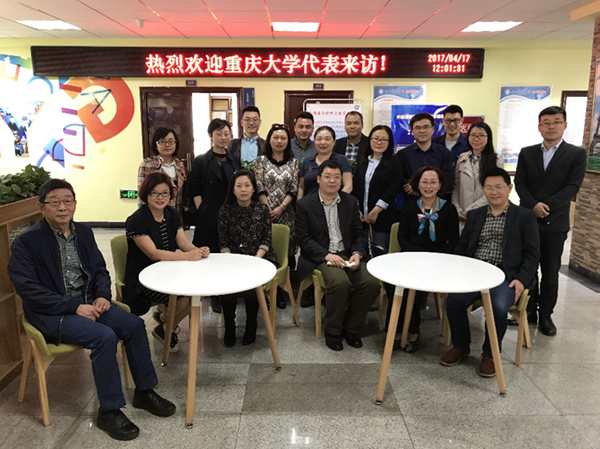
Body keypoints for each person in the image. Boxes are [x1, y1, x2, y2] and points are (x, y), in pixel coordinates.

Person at [7, 179, 176, 441]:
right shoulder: (26, 243)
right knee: (104, 336)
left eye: (68, 201)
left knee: (134, 325)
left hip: (89, 302)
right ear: (41, 207)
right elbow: (29, 291)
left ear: (75, 204)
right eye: (54, 202)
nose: (62, 207)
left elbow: (99, 270)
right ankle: (109, 410)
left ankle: (144, 391)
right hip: (53, 313)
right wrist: (75, 306)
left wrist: (101, 296)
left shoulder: (83, 233)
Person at [440, 168, 540, 377]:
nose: (494, 192)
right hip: (475, 272)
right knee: (454, 302)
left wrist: (521, 280)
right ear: (483, 190)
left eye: (499, 187)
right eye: (489, 188)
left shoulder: (525, 216)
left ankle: (490, 353)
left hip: (505, 275)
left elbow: (532, 253)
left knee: (498, 306)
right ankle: (461, 346)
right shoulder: (475, 215)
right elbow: (463, 247)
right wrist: (456, 271)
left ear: (509, 188)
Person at [514, 106, 587, 336]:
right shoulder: (527, 153)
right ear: (539, 127)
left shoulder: (576, 154)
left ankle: (546, 315)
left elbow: (572, 187)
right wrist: (533, 205)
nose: (551, 126)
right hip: (528, 219)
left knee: (550, 270)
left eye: (556, 122)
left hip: (555, 222)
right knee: (527, 268)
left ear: (565, 125)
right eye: (546, 122)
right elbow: (520, 183)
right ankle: (527, 311)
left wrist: (546, 206)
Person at [296, 159, 381, 351]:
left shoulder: (350, 202)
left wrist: (357, 253)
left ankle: (351, 328)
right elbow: (304, 239)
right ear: (318, 179)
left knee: (372, 283)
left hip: (348, 253)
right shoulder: (305, 204)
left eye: (336, 177)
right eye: (327, 177)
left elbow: (359, 234)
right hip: (322, 256)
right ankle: (333, 331)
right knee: (339, 282)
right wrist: (327, 255)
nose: (332, 181)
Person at [124, 173, 209, 352]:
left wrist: (197, 251)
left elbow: (182, 242)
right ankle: (166, 325)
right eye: (154, 193)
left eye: (164, 193)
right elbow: (153, 254)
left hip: (168, 271)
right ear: (146, 194)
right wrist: (187, 256)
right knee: (182, 299)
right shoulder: (136, 220)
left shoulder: (171, 213)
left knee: (197, 294)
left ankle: (164, 325)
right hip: (144, 276)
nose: (160, 197)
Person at [387, 166, 459, 352]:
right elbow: (402, 237)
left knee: (414, 289)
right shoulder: (410, 206)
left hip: (436, 260)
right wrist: (415, 256)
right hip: (410, 257)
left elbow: (453, 241)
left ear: (440, 185)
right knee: (393, 286)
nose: (428, 186)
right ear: (417, 184)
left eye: (433, 182)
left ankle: (412, 331)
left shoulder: (448, 209)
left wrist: (439, 259)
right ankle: (395, 331)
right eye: (424, 182)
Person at [218, 170, 278, 347]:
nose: (243, 189)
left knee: (252, 287)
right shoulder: (225, 211)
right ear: (233, 190)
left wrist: (256, 259)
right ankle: (230, 327)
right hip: (232, 260)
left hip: (260, 258)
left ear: (253, 189)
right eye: (239, 186)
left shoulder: (262, 209)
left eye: (247, 185)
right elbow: (222, 240)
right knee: (227, 287)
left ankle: (251, 325)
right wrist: (231, 261)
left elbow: (267, 239)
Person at [189, 119, 241, 313]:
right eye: (218, 134)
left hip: (229, 214)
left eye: (226, 133)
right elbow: (194, 189)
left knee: (226, 251)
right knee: (209, 253)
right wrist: (201, 209)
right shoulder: (202, 160)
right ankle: (212, 292)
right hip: (208, 215)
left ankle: (226, 290)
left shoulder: (234, 159)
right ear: (211, 136)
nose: (223, 137)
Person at [254, 124, 299, 306]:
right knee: (266, 249)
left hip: (286, 214)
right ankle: (264, 289)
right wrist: (267, 209)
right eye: (276, 137)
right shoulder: (260, 161)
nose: (279, 141)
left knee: (286, 252)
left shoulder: (294, 162)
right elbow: (259, 186)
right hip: (264, 214)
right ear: (269, 140)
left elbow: (294, 188)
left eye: (283, 138)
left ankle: (281, 290)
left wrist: (281, 208)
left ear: (288, 141)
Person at [352, 125, 402, 257]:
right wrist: (357, 209)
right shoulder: (363, 160)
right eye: (375, 138)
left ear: (389, 142)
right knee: (363, 253)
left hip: (383, 217)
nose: (379, 142)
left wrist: (376, 211)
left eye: (384, 139)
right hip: (362, 218)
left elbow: (392, 189)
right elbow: (356, 187)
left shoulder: (394, 162)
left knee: (380, 253)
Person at [452, 121, 504, 232]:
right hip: (463, 215)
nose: (476, 139)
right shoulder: (461, 159)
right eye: (473, 135)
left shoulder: (496, 160)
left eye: (481, 135)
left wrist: (470, 210)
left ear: (488, 138)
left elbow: (495, 190)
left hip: (486, 212)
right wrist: (457, 209)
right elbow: (456, 187)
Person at [397, 112, 453, 198]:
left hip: (437, 201)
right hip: (412, 201)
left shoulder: (444, 153)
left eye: (426, 127)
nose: (422, 131)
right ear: (412, 131)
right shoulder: (403, 154)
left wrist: (428, 186)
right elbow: (398, 177)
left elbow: (447, 178)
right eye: (417, 128)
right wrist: (409, 184)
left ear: (432, 129)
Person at [137, 127, 187, 216]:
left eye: (171, 141)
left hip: (176, 215)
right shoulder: (147, 164)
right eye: (162, 142)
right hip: (155, 215)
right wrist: (144, 217)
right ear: (156, 145)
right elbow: (142, 194)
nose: (167, 145)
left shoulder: (180, 165)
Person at [298, 126, 353, 200]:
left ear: (334, 142)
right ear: (314, 141)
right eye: (319, 139)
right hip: (309, 204)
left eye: (327, 139)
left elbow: (348, 186)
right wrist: (299, 203)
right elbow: (301, 187)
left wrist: (334, 201)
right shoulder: (307, 161)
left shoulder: (341, 160)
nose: (323, 142)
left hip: (335, 204)